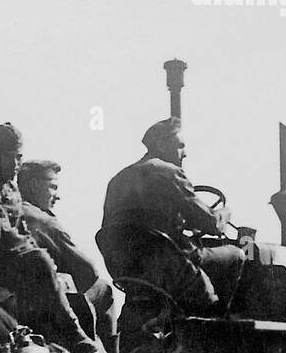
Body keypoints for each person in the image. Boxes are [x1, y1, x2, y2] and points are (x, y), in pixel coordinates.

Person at [97, 117, 244, 318]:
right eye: (180, 146)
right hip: (167, 262)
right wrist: (225, 213)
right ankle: (218, 317)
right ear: (161, 144)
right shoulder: (168, 172)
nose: (185, 153)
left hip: (127, 268)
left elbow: (114, 226)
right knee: (237, 255)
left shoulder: (118, 179)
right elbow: (211, 223)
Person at [0, 123, 102, 353]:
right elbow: (1, 233)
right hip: (8, 271)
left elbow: (22, 231)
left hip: (23, 271)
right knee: (96, 289)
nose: (15, 164)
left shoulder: (11, 189)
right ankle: (86, 348)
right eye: (8, 156)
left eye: (18, 157)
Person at [18, 159, 119, 353]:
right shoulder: (43, 220)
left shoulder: (10, 210)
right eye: (52, 187)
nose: (58, 196)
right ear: (32, 185)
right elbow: (88, 271)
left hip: (17, 300)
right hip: (45, 301)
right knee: (103, 288)